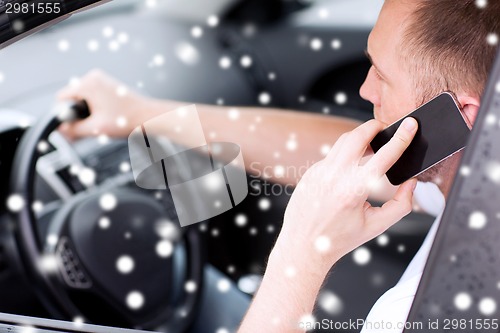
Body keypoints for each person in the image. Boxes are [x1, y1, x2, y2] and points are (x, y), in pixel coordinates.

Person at [56, 0, 500, 332]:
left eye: (382, 75)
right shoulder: (477, 175)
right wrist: (139, 113)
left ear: (464, 116)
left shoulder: (413, 313)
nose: (366, 90)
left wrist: (303, 250)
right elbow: (344, 154)